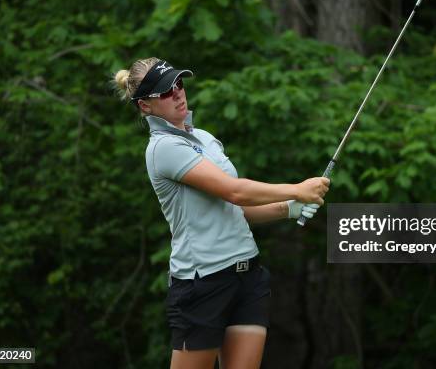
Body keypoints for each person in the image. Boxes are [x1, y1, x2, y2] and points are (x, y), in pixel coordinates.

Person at [113, 57, 329, 369]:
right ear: (145, 106)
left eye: (178, 84)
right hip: (203, 284)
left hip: (247, 277)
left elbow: (235, 208)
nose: (177, 93)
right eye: (164, 92)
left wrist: (287, 208)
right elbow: (235, 190)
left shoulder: (204, 138)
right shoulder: (163, 148)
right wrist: (297, 189)